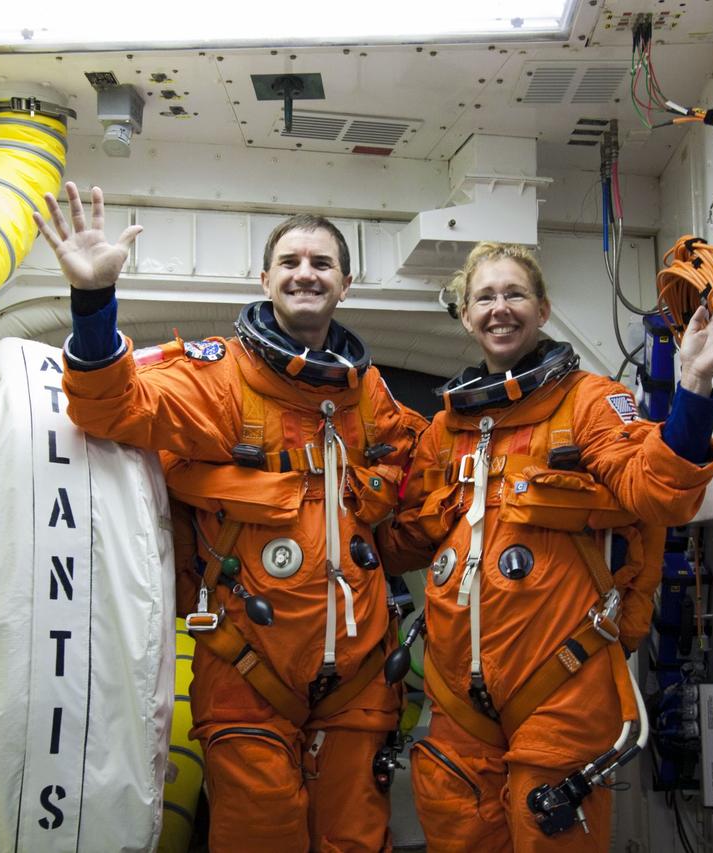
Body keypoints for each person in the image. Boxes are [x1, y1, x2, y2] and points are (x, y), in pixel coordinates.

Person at [34, 182, 423, 852]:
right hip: (249, 670)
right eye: (293, 261)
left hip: (359, 678)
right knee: (258, 839)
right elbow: (110, 407)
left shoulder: (372, 395)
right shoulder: (219, 379)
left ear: (346, 284)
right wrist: (93, 301)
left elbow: (429, 491)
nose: (306, 272)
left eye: (322, 263)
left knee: (356, 841)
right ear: (264, 277)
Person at [378, 242, 713, 851]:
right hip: (457, 702)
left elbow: (656, 491)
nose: (499, 308)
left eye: (514, 294)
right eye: (484, 297)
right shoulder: (445, 430)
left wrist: (693, 382)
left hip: (558, 682)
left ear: (542, 308)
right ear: (465, 314)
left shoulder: (585, 401)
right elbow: (405, 540)